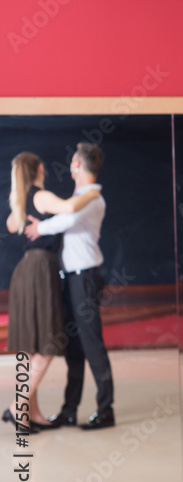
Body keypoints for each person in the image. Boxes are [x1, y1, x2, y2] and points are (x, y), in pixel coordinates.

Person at [3, 152, 99, 433]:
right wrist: (92, 192)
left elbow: (11, 225)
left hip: (25, 271)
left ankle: (32, 413)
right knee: (46, 345)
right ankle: (17, 407)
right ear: (40, 168)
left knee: (33, 346)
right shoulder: (40, 196)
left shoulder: (19, 201)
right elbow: (70, 207)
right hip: (41, 272)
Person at [25, 143, 116, 430]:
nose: (70, 164)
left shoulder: (92, 198)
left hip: (85, 278)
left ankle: (105, 410)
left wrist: (39, 227)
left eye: (73, 160)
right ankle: (69, 409)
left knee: (92, 344)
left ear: (78, 165)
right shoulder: (80, 196)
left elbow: (67, 220)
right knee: (74, 347)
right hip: (72, 278)